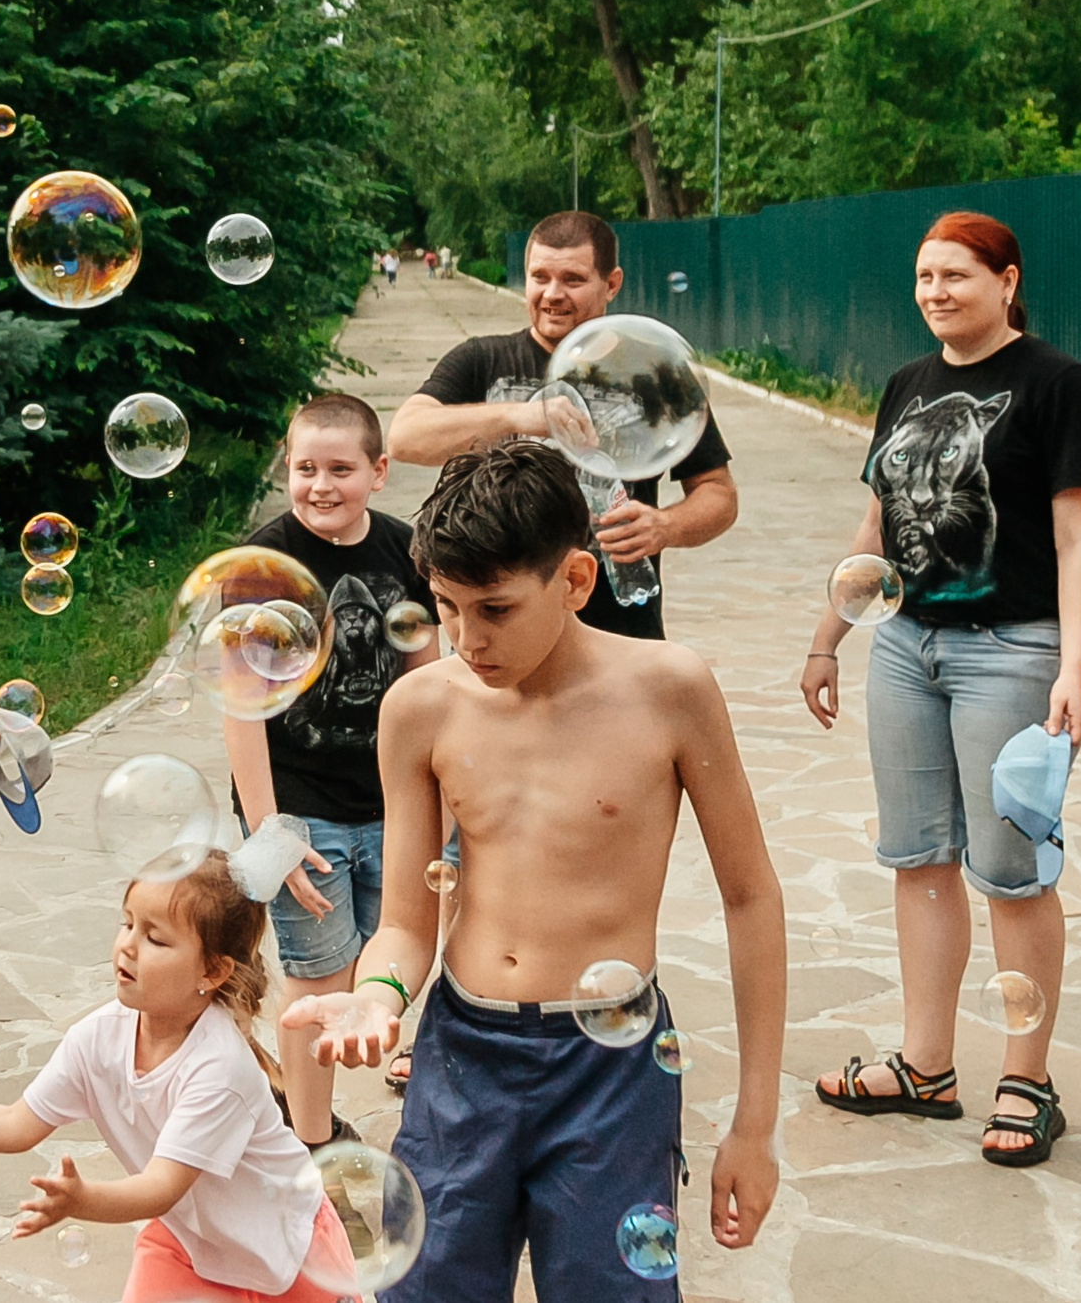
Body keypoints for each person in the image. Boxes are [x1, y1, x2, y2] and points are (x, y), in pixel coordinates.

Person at [284, 439, 785, 1301]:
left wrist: (754, 1124)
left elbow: (750, 897)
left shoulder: (669, 690)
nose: (466, 638)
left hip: (612, 1067)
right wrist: (380, 996)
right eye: (445, 606)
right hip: (463, 1057)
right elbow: (404, 921)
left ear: (576, 581)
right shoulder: (422, 708)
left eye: (495, 609)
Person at [801, 212, 1081, 1168]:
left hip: (1012, 651)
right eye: (925, 275)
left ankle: (1028, 1080)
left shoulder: (1058, 385)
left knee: (1013, 870)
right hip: (904, 647)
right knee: (919, 858)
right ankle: (926, 1066)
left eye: (957, 275)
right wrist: (827, 640)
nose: (936, 291)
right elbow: (876, 523)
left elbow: (1079, 539)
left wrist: (1074, 665)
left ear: (1007, 281)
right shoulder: (907, 383)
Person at [0, 852, 354, 1303]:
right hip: (187, 1245)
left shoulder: (221, 1068)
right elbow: (17, 1124)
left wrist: (83, 1201)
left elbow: (159, 1188)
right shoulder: (96, 1038)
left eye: (155, 938)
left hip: (286, 1252)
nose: (127, 945)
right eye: (127, 923)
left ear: (211, 972)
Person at [222, 393, 433, 1144]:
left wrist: (434, 804)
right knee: (316, 982)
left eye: (340, 469)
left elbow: (428, 684)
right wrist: (268, 833)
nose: (320, 485)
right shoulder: (260, 567)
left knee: (386, 961)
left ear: (379, 472)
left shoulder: (409, 556)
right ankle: (310, 1144)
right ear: (287, 466)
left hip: (392, 808)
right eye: (305, 467)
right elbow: (242, 711)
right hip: (300, 814)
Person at [386, 209, 737, 642]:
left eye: (572, 279)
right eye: (540, 277)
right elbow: (404, 437)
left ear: (611, 284)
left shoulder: (655, 372)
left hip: (621, 632)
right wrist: (522, 416)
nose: (552, 294)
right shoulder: (482, 360)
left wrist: (665, 526)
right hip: (500, 632)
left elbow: (718, 493)